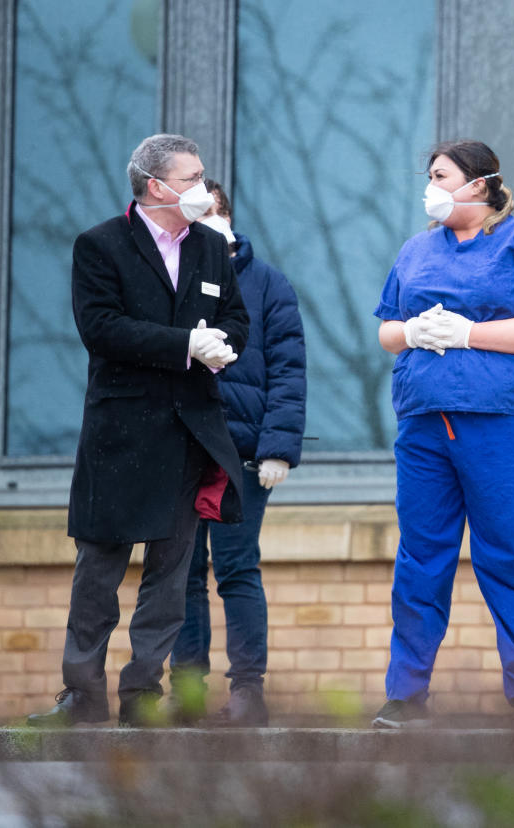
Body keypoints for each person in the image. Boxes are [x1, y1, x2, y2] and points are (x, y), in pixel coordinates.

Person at [28, 134, 248, 727]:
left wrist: (222, 342)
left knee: (172, 573)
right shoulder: (100, 245)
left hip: (188, 432)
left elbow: (235, 316)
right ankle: (81, 695)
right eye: (192, 177)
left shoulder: (208, 246)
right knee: (99, 568)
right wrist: (184, 345)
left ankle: (143, 695)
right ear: (157, 186)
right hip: (121, 433)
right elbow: (101, 327)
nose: (203, 187)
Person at [371, 140, 514, 730]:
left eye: (441, 176)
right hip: (424, 423)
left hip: (499, 425)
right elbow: (386, 330)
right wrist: (412, 331)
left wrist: (468, 335)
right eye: (429, 175)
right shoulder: (415, 251)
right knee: (420, 558)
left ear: (480, 184)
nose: (429, 186)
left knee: (506, 554)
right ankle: (405, 697)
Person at [167, 180, 307, 727]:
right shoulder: (170, 277)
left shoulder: (269, 284)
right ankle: (188, 692)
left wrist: (278, 448)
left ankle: (248, 692)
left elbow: (289, 369)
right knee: (180, 571)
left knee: (236, 568)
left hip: (241, 455)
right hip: (180, 448)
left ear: (224, 215)